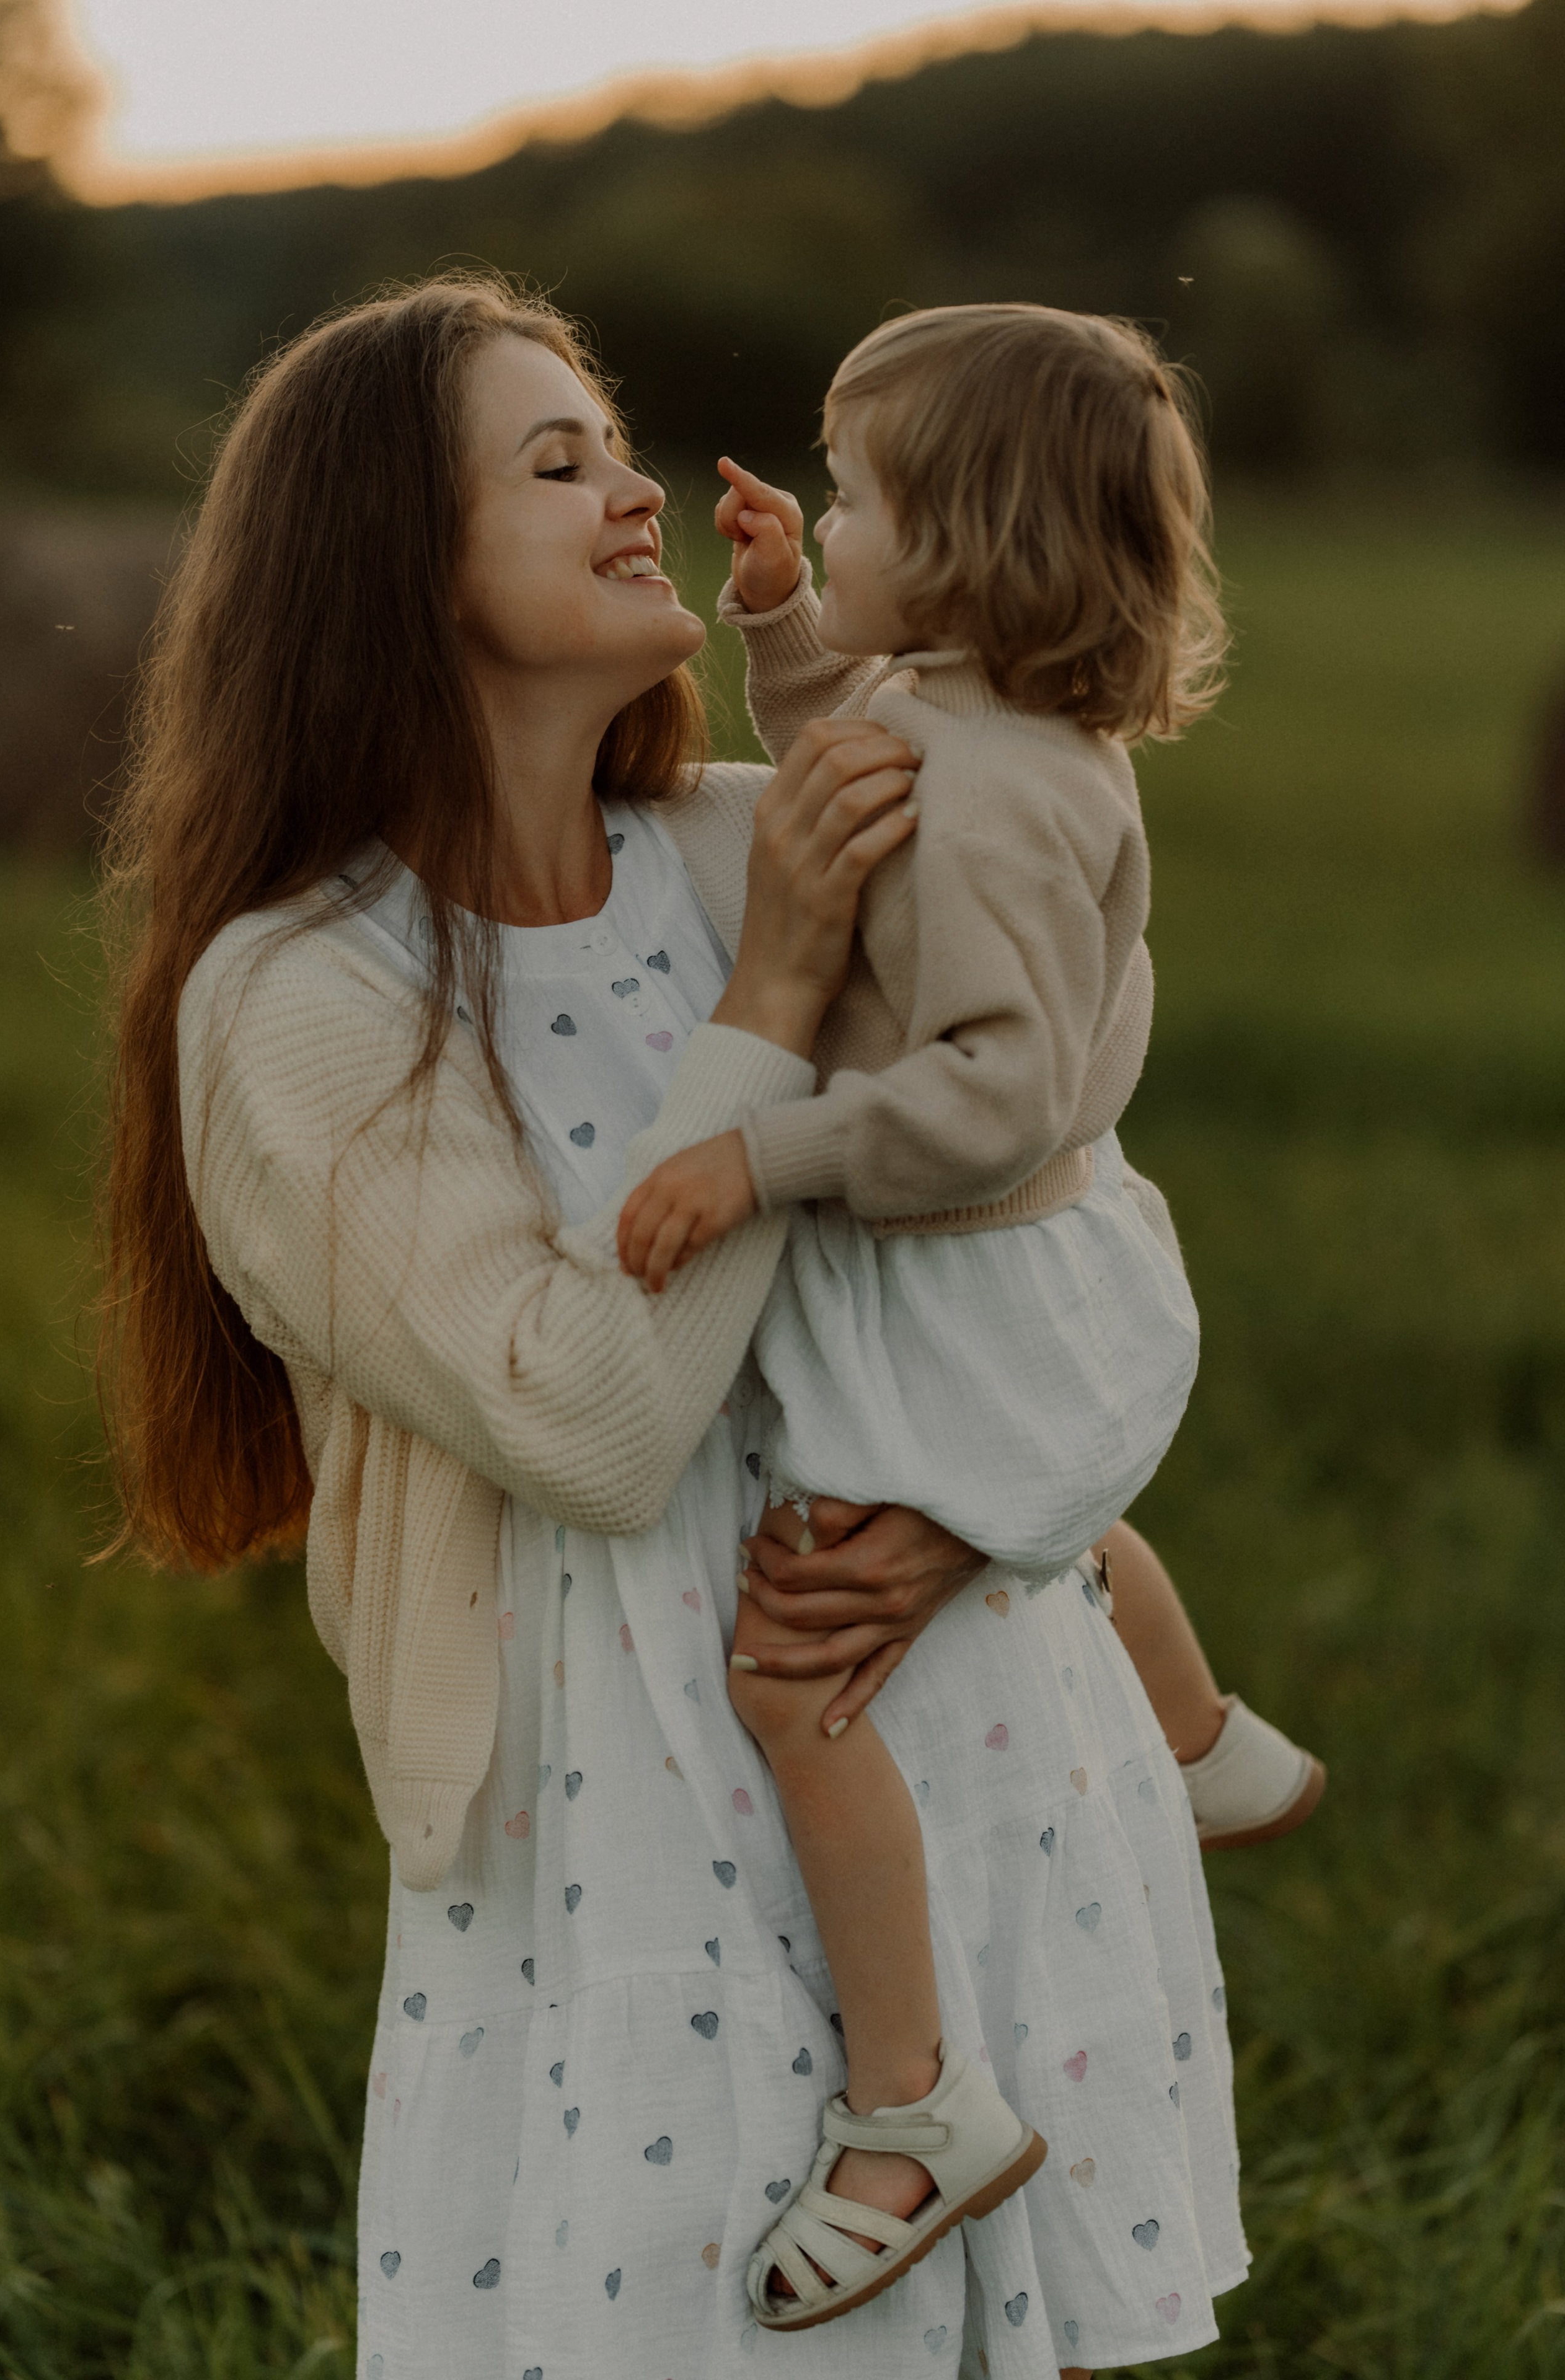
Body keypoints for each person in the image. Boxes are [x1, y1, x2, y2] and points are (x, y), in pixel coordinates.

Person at [100, 271, 1251, 2380]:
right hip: (618, 1808)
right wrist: (776, 1000)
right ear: (390, 562)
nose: (637, 493)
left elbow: (1066, 1213)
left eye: (614, 443)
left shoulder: (740, 844)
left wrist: (995, 1519)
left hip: (949, 1732)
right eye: (558, 464)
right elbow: (596, 1426)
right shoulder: (299, 1002)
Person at [620, 304, 1321, 2331]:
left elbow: (996, 1084)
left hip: (967, 1260)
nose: (821, 517)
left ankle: (913, 2103)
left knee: (796, 1678)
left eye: (851, 501)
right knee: (1050, 1522)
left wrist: (764, 1156)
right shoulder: (996, 725)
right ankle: (1196, 1742)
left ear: (973, 545)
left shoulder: (1003, 799)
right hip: (1034, 1261)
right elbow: (869, 749)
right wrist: (779, 630)